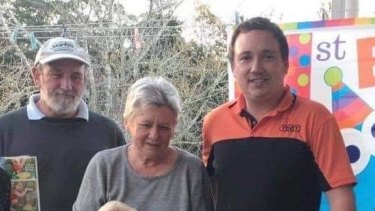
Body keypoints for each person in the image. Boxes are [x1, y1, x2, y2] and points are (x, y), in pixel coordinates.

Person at [202, 17, 356, 211]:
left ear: (285, 65)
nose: (256, 68)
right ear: (233, 67)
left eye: (268, 56)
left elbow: (342, 198)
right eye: (245, 57)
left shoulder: (316, 118)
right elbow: (207, 192)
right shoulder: (214, 122)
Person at [0, 37, 125, 211]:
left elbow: (123, 196)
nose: (66, 86)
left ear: (85, 79)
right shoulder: (5, 130)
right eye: (56, 75)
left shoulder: (107, 133)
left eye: (75, 77)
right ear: (37, 76)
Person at [73, 76, 214, 211]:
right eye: (146, 125)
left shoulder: (191, 170)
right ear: (127, 122)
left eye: (164, 127)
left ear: (174, 127)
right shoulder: (104, 166)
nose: (154, 135)